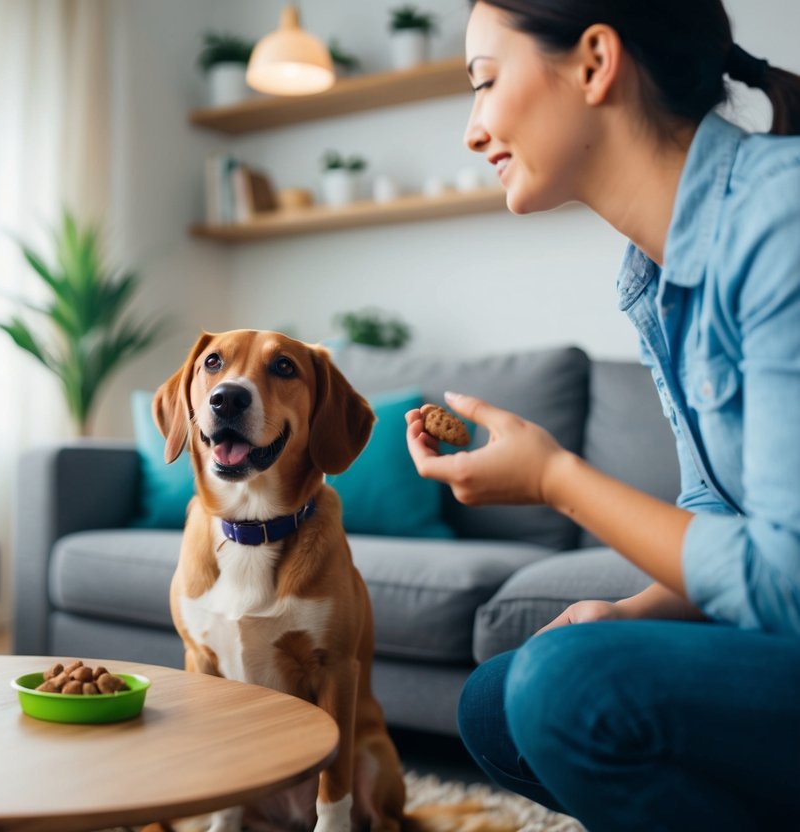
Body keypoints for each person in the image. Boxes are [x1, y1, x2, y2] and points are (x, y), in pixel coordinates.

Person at [403, 1, 800, 830]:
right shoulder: (650, 276)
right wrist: (625, 614)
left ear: (593, 62)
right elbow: (718, 507)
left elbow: (779, 581)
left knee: (567, 689)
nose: (474, 132)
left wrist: (554, 479)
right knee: (496, 701)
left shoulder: (779, 220)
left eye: (484, 83)